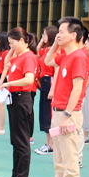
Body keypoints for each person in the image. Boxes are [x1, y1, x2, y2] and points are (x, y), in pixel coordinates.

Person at [42, 17, 88, 177]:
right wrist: (56, 43)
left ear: (74, 35)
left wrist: (67, 115)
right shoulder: (65, 56)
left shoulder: (79, 57)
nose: (58, 35)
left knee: (69, 163)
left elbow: (78, 89)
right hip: (58, 112)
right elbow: (47, 61)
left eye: (62, 32)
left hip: (68, 114)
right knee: (59, 162)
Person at [0, 28, 39, 177]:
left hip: (22, 98)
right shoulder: (18, 56)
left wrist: (8, 84)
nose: (10, 46)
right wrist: (13, 49)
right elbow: (6, 62)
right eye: (9, 44)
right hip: (14, 99)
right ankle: (15, 175)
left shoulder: (28, 57)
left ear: (22, 41)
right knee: (15, 140)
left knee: (22, 140)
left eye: (12, 43)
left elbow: (28, 79)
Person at [34, 26, 58, 155]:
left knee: (49, 114)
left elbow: (56, 71)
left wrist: (52, 89)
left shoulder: (55, 51)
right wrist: (42, 41)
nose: (43, 37)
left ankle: (52, 144)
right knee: (44, 113)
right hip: (44, 81)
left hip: (50, 81)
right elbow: (36, 52)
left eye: (45, 34)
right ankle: (48, 143)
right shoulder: (46, 49)